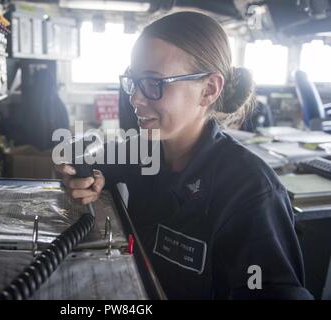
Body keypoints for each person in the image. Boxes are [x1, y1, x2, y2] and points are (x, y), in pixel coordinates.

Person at [55, 11, 312, 299]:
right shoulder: (145, 150)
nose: (136, 98)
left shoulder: (250, 191)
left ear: (209, 90)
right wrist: (90, 177)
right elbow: (97, 162)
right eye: (133, 80)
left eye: (154, 83)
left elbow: (271, 291)